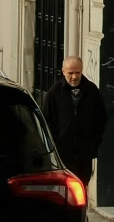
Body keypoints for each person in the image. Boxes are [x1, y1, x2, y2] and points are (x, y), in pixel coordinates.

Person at [42, 54, 106, 192]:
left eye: (77, 72)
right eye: (70, 73)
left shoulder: (92, 91)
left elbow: (101, 118)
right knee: (66, 188)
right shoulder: (54, 94)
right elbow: (47, 121)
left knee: (82, 185)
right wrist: (56, 143)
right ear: (63, 72)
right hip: (63, 153)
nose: (74, 77)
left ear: (82, 70)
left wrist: (93, 143)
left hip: (85, 152)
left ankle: (81, 212)